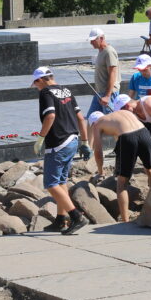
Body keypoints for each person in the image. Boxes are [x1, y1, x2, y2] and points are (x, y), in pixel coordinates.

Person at [31, 67, 89, 234]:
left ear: (41, 79)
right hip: (73, 140)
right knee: (61, 181)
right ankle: (60, 219)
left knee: (51, 183)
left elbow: (50, 116)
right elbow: (80, 117)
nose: (36, 87)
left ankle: (76, 216)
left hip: (58, 142)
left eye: (36, 83)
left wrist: (41, 138)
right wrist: (85, 142)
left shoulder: (46, 93)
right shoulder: (66, 90)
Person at [87, 107, 151, 222]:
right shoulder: (119, 114)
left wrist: (101, 171)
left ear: (92, 123)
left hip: (128, 137)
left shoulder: (97, 123)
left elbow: (98, 152)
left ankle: (125, 221)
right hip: (144, 133)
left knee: (122, 182)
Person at [86, 27, 119, 118]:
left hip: (109, 93)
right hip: (100, 93)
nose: (91, 42)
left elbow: (113, 73)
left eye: (93, 40)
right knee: (91, 119)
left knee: (110, 120)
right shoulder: (101, 52)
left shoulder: (109, 52)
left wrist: (108, 96)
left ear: (101, 38)